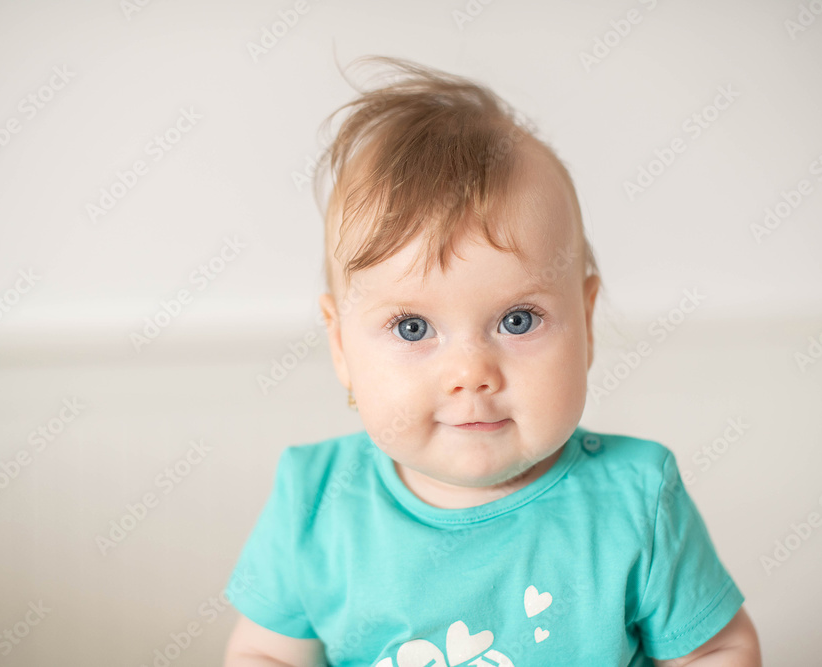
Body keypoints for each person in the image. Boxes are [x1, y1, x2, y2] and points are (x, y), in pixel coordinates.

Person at [222, 55, 762, 667]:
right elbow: (265, 654)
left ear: (584, 322)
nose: (471, 373)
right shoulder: (315, 501)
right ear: (341, 346)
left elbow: (716, 649)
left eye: (517, 320)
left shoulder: (635, 499)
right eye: (413, 327)